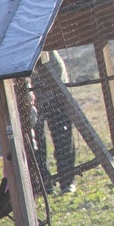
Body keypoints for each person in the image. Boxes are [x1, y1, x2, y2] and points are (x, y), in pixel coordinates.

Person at [31, 50, 76, 194]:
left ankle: (67, 181)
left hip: (55, 87)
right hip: (31, 95)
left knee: (62, 137)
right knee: (36, 143)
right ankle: (44, 184)